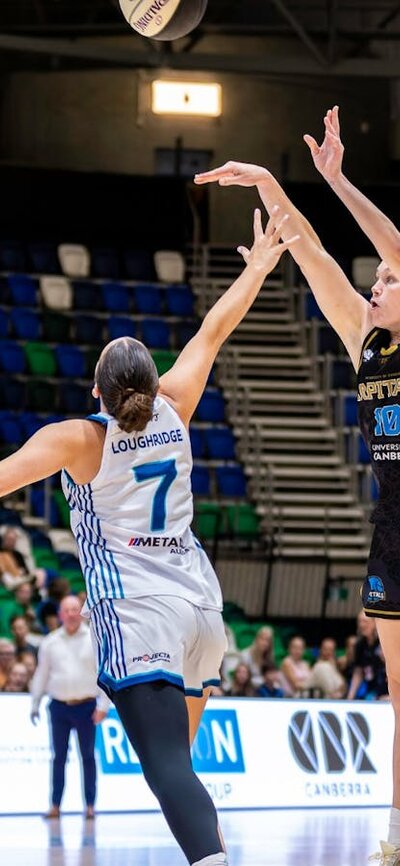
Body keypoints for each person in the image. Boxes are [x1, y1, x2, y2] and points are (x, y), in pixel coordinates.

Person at [0, 209, 297, 866]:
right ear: (150, 386)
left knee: (167, 773)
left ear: (97, 391)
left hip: (144, 616)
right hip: (202, 609)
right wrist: (256, 266)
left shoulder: (80, 439)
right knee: (180, 771)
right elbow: (214, 329)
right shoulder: (177, 405)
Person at [194, 105, 400, 863]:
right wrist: (272, 185)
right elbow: (309, 253)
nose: (376, 283)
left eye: (385, 280)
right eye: (375, 279)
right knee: (399, 696)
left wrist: (340, 181)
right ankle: (395, 840)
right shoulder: (367, 344)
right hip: (393, 530)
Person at [30, 594, 110, 819]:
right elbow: (42, 673)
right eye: (67, 610)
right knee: (59, 757)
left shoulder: (94, 639)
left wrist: (104, 704)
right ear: (60, 614)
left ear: (81, 611)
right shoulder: (50, 642)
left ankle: (90, 806)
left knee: (87, 756)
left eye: (75, 609)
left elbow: (103, 673)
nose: (72, 614)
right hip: (59, 707)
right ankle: (55, 805)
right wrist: (35, 702)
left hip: (86, 706)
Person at [347, 611, 388, 701]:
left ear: (374, 623)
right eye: (359, 622)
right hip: (373, 692)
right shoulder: (360, 645)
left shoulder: (384, 641)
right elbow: (358, 671)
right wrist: (350, 697)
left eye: (365, 621)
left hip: (389, 692)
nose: (361, 625)